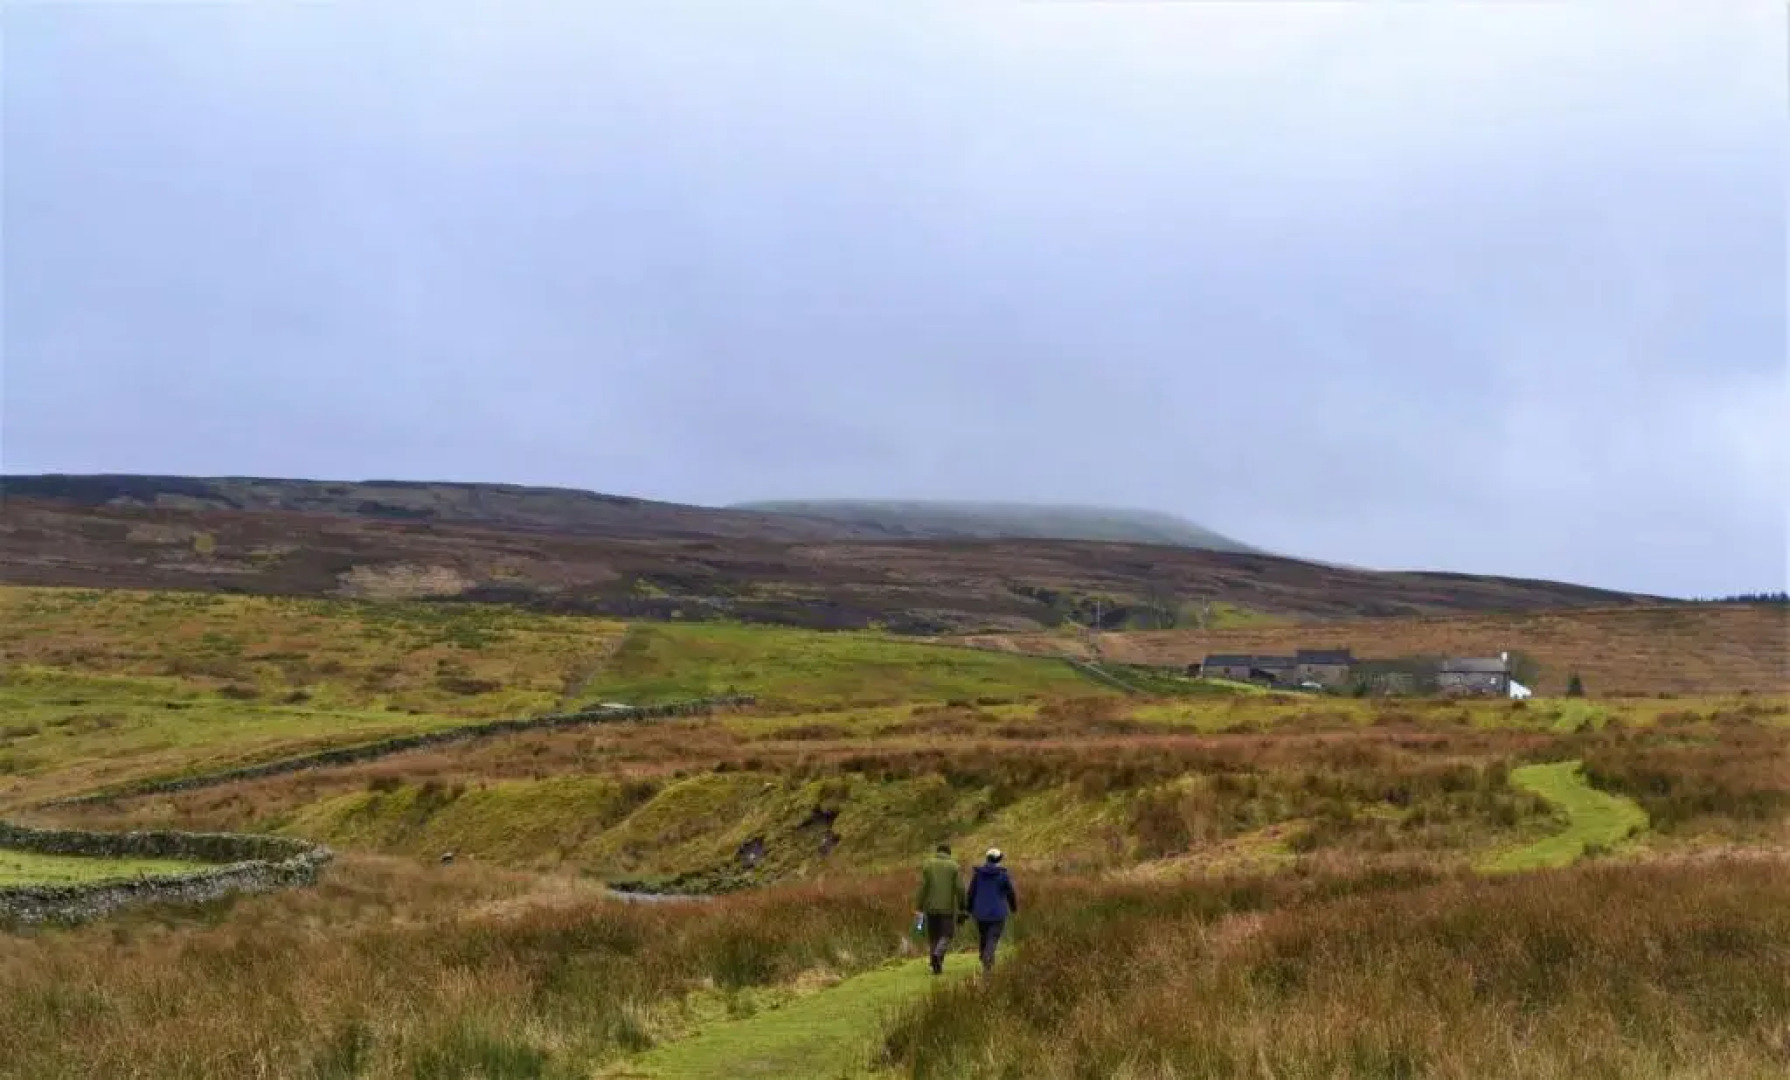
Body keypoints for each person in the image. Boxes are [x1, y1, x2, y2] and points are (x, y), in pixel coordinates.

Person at [964, 847, 1018, 976]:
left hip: (980, 913)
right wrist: (1013, 907)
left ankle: (984, 958)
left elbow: (971, 893)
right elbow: (1011, 893)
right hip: (997, 913)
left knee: (984, 936)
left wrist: (969, 909)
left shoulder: (978, 875)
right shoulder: (1003, 875)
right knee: (992, 938)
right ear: (999, 859)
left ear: (987, 859)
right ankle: (987, 959)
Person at [913, 843, 961, 975]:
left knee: (934, 936)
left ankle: (935, 965)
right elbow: (960, 889)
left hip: (930, 908)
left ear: (938, 852)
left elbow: (923, 887)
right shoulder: (954, 867)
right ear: (949, 853)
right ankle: (937, 954)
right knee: (946, 934)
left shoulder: (928, 865)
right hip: (947, 909)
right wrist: (963, 906)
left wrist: (919, 906)